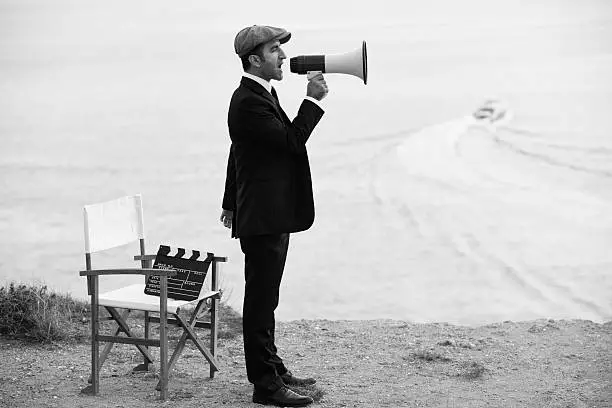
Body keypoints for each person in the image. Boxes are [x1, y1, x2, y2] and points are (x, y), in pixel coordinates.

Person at [220, 25, 328, 407]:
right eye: (274, 50)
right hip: (264, 216)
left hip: (268, 213)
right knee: (261, 300)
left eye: (281, 48)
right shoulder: (248, 101)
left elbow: (239, 154)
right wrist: (312, 102)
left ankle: (272, 367)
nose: (282, 56)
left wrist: (229, 202)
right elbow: (290, 143)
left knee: (268, 298)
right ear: (254, 59)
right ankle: (265, 385)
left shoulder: (261, 93)